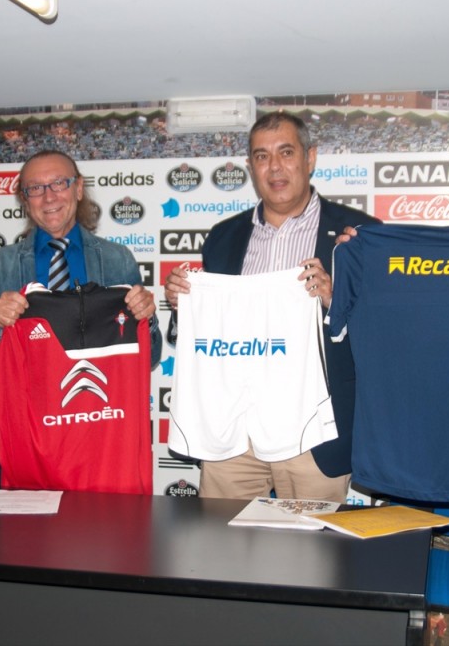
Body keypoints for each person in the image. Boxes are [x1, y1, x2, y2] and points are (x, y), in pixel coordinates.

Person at [163, 112, 380, 502]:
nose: (275, 167)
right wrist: (183, 305)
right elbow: (207, 331)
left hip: (313, 430)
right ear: (250, 167)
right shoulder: (223, 237)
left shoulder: (360, 233)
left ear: (310, 158)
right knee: (220, 546)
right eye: (262, 157)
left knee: (313, 553)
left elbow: (386, 330)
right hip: (234, 430)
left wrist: (337, 301)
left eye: (286, 152)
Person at [0, 149, 160, 373]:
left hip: (98, 402)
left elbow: (150, 359)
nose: (49, 197)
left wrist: (146, 320)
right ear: (25, 199)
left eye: (59, 183)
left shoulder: (117, 260)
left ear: (78, 189)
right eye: (35, 188)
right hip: (29, 406)